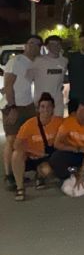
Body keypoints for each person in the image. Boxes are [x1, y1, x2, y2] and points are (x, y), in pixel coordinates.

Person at [3, 35, 41, 190]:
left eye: (37, 44)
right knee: (11, 140)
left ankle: (20, 170)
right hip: (13, 105)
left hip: (29, 106)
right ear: (25, 45)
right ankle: (8, 175)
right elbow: (8, 85)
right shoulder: (16, 61)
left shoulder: (36, 62)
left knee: (24, 140)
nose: (33, 46)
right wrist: (12, 107)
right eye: (30, 43)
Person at [12, 93, 63, 201]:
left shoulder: (59, 122)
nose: (46, 109)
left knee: (47, 170)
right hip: (30, 156)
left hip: (46, 157)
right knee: (16, 154)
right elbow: (16, 144)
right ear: (38, 109)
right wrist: (32, 151)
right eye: (43, 106)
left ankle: (39, 176)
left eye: (49, 106)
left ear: (53, 108)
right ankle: (20, 188)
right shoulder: (29, 124)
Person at [49, 100, 84, 182]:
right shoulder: (68, 121)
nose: (81, 113)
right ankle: (72, 173)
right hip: (71, 150)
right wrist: (76, 149)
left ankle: (80, 172)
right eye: (79, 110)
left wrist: (83, 172)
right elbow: (57, 144)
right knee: (55, 158)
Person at [30, 35, 67, 117]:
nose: (55, 46)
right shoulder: (38, 61)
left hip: (58, 102)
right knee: (42, 127)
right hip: (42, 102)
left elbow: (62, 78)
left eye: (58, 44)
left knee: (57, 126)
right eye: (52, 44)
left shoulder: (64, 61)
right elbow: (28, 79)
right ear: (47, 46)